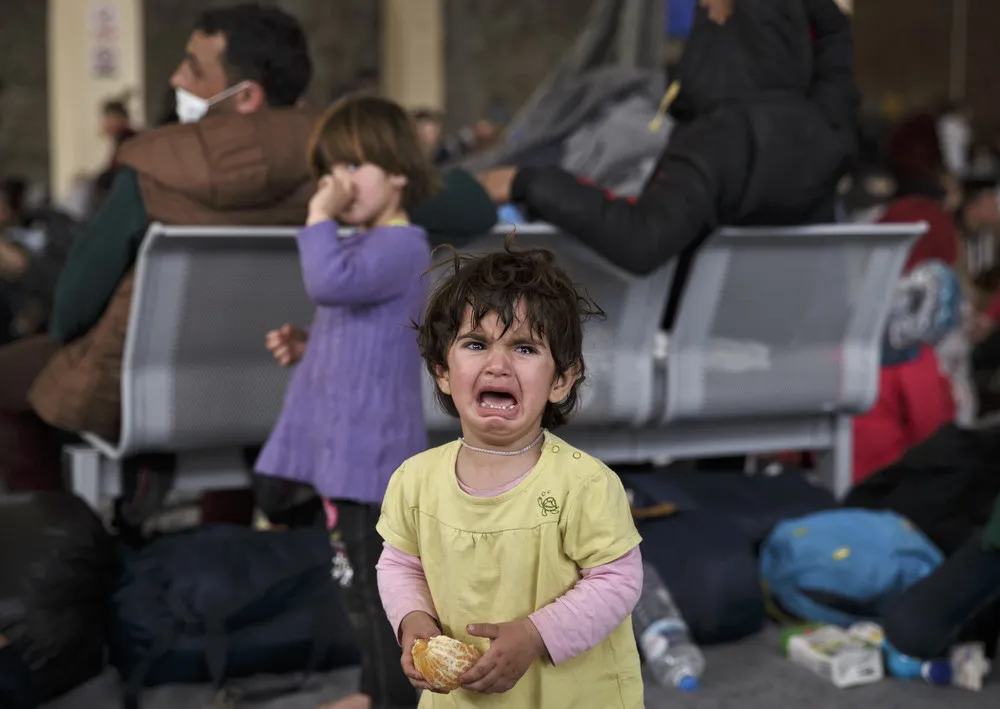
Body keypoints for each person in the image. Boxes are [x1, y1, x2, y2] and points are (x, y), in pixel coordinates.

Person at [0, 4, 496, 516]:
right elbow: (473, 205)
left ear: (247, 97)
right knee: (246, 379)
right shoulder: (348, 168)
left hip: (153, 399)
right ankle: (231, 529)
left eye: (193, 68)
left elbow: (70, 311)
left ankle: (57, 547)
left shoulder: (152, 172)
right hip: (285, 387)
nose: (176, 77)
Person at [376, 243, 644, 707]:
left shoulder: (584, 484)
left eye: (524, 347)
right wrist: (413, 621)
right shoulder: (414, 480)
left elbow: (617, 581)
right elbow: (400, 564)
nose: (497, 364)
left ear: (561, 380)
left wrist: (536, 634)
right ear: (442, 371)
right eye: (476, 344)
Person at [256, 95, 436, 709]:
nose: (339, 184)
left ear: (399, 173)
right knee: (355, 588)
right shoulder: (364, 248)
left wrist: (315, 214)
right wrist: (311, 345)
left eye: (355, 166)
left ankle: (395, 699)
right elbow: (361, 328)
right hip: (345, 451)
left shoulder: (402, 245)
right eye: (331, 170)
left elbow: (327, 282)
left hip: (371, 458)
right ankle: (372, 689)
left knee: (380, 590)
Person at [477, 0, 857, 280]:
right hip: (793, 354)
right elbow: (834, 40)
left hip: (707, 361)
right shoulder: (829, 128)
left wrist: (526, 181)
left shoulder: (716, 140)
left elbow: (642, 239)